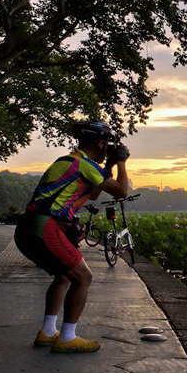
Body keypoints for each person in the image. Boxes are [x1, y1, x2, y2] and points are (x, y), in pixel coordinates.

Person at [14, 121, 129, 353]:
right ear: (99, 142)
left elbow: (94, 194)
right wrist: (122, 164)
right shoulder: (83, 164)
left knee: (64, 276)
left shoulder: (68, 161)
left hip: (28, 227)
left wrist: (109, 164)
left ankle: (47, 332)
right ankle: (67, 337)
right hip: (47, 226)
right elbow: (121, 191)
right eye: (106, 143)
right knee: (83, 278)